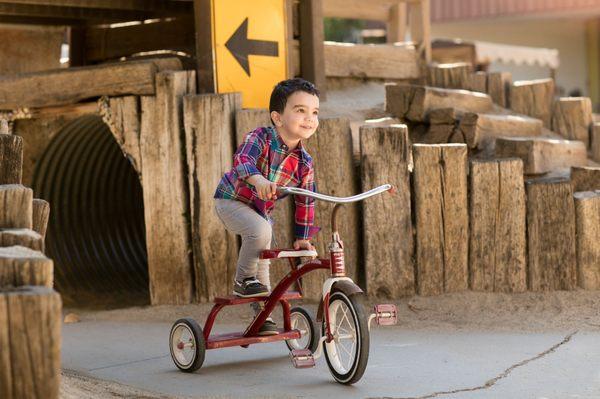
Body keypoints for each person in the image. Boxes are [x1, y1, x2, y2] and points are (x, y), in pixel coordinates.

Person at [213, 78, 320, 335]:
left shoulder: (304, 162)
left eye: (314, 112)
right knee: (261, 232)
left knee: (264, 262)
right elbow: (243, 158)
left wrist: (303, 238)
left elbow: (305, 199)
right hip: (231, 201)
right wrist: (257, 178)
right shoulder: (260, 137)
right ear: (278, 117)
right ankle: (242, 280)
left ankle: (264, 316)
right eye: (300, 110)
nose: (309, 118)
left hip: (260, 213)